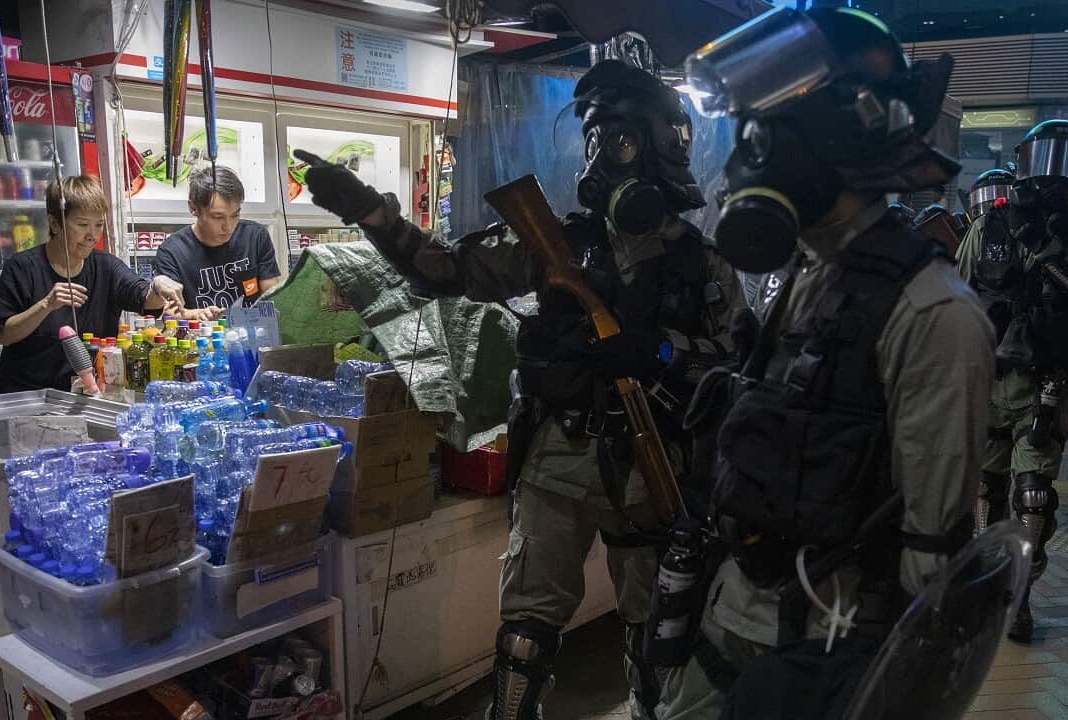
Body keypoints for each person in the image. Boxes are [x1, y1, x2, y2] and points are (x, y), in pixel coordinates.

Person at [301, 59, 741, 720]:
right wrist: (366, 209)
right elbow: (440, 271)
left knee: (659, 640)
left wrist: (658, 351)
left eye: (621, 141)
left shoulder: (701, 262)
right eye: (598, 142)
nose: (606, 158)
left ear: (660, 145)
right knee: (525, 639)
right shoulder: (554, 244)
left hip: (653, 467)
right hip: (558, 459)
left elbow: (736, 362)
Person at [658, 8, 994, 718]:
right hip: (732, 624)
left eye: (767, 134)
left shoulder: (935, 315)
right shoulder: (813, 270)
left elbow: (931, 559)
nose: (749, 156)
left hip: (819, 657)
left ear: (838, 134)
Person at [956, 118, 1068, 642]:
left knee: (1032, 497)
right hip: (992, 377)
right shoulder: (992, 226)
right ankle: (983, 584)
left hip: (1045, 383)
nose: (1053, 175)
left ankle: (1017, 597)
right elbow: (960, 299)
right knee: (984, 490)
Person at [0, 175, 185, 392]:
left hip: (86, 392)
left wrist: (159, 283)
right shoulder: (22, 268)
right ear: (55, 223)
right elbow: (4, 335)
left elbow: (145, 297)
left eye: (98, 225)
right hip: (29, 395)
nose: (92, 235)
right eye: (82, 224)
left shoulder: (106, 267)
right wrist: (46, 305)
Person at [156, 166, 281, 320]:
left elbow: (273, 296)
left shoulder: (255, 237)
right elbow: (169, 312)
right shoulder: (172, 251)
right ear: (193, 208)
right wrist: (197, 314)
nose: (228, 227)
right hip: (201, 338)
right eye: (217, 217)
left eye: (235, 215)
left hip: (253, 334)